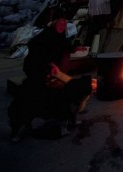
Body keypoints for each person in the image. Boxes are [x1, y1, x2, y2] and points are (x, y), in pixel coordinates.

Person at [8, 13, 91, 141]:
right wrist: (49, 65)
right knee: (31, 98)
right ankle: (17, 130)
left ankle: (68, 120)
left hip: (53, 71)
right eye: (60, 24)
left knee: (67, 91)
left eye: (64, 25)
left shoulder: (60, 37)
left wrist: (75, 49)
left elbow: (65, 47)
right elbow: (37, 56)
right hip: (37, 70)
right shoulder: (42, 39)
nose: (62, 27)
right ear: (54, 24)